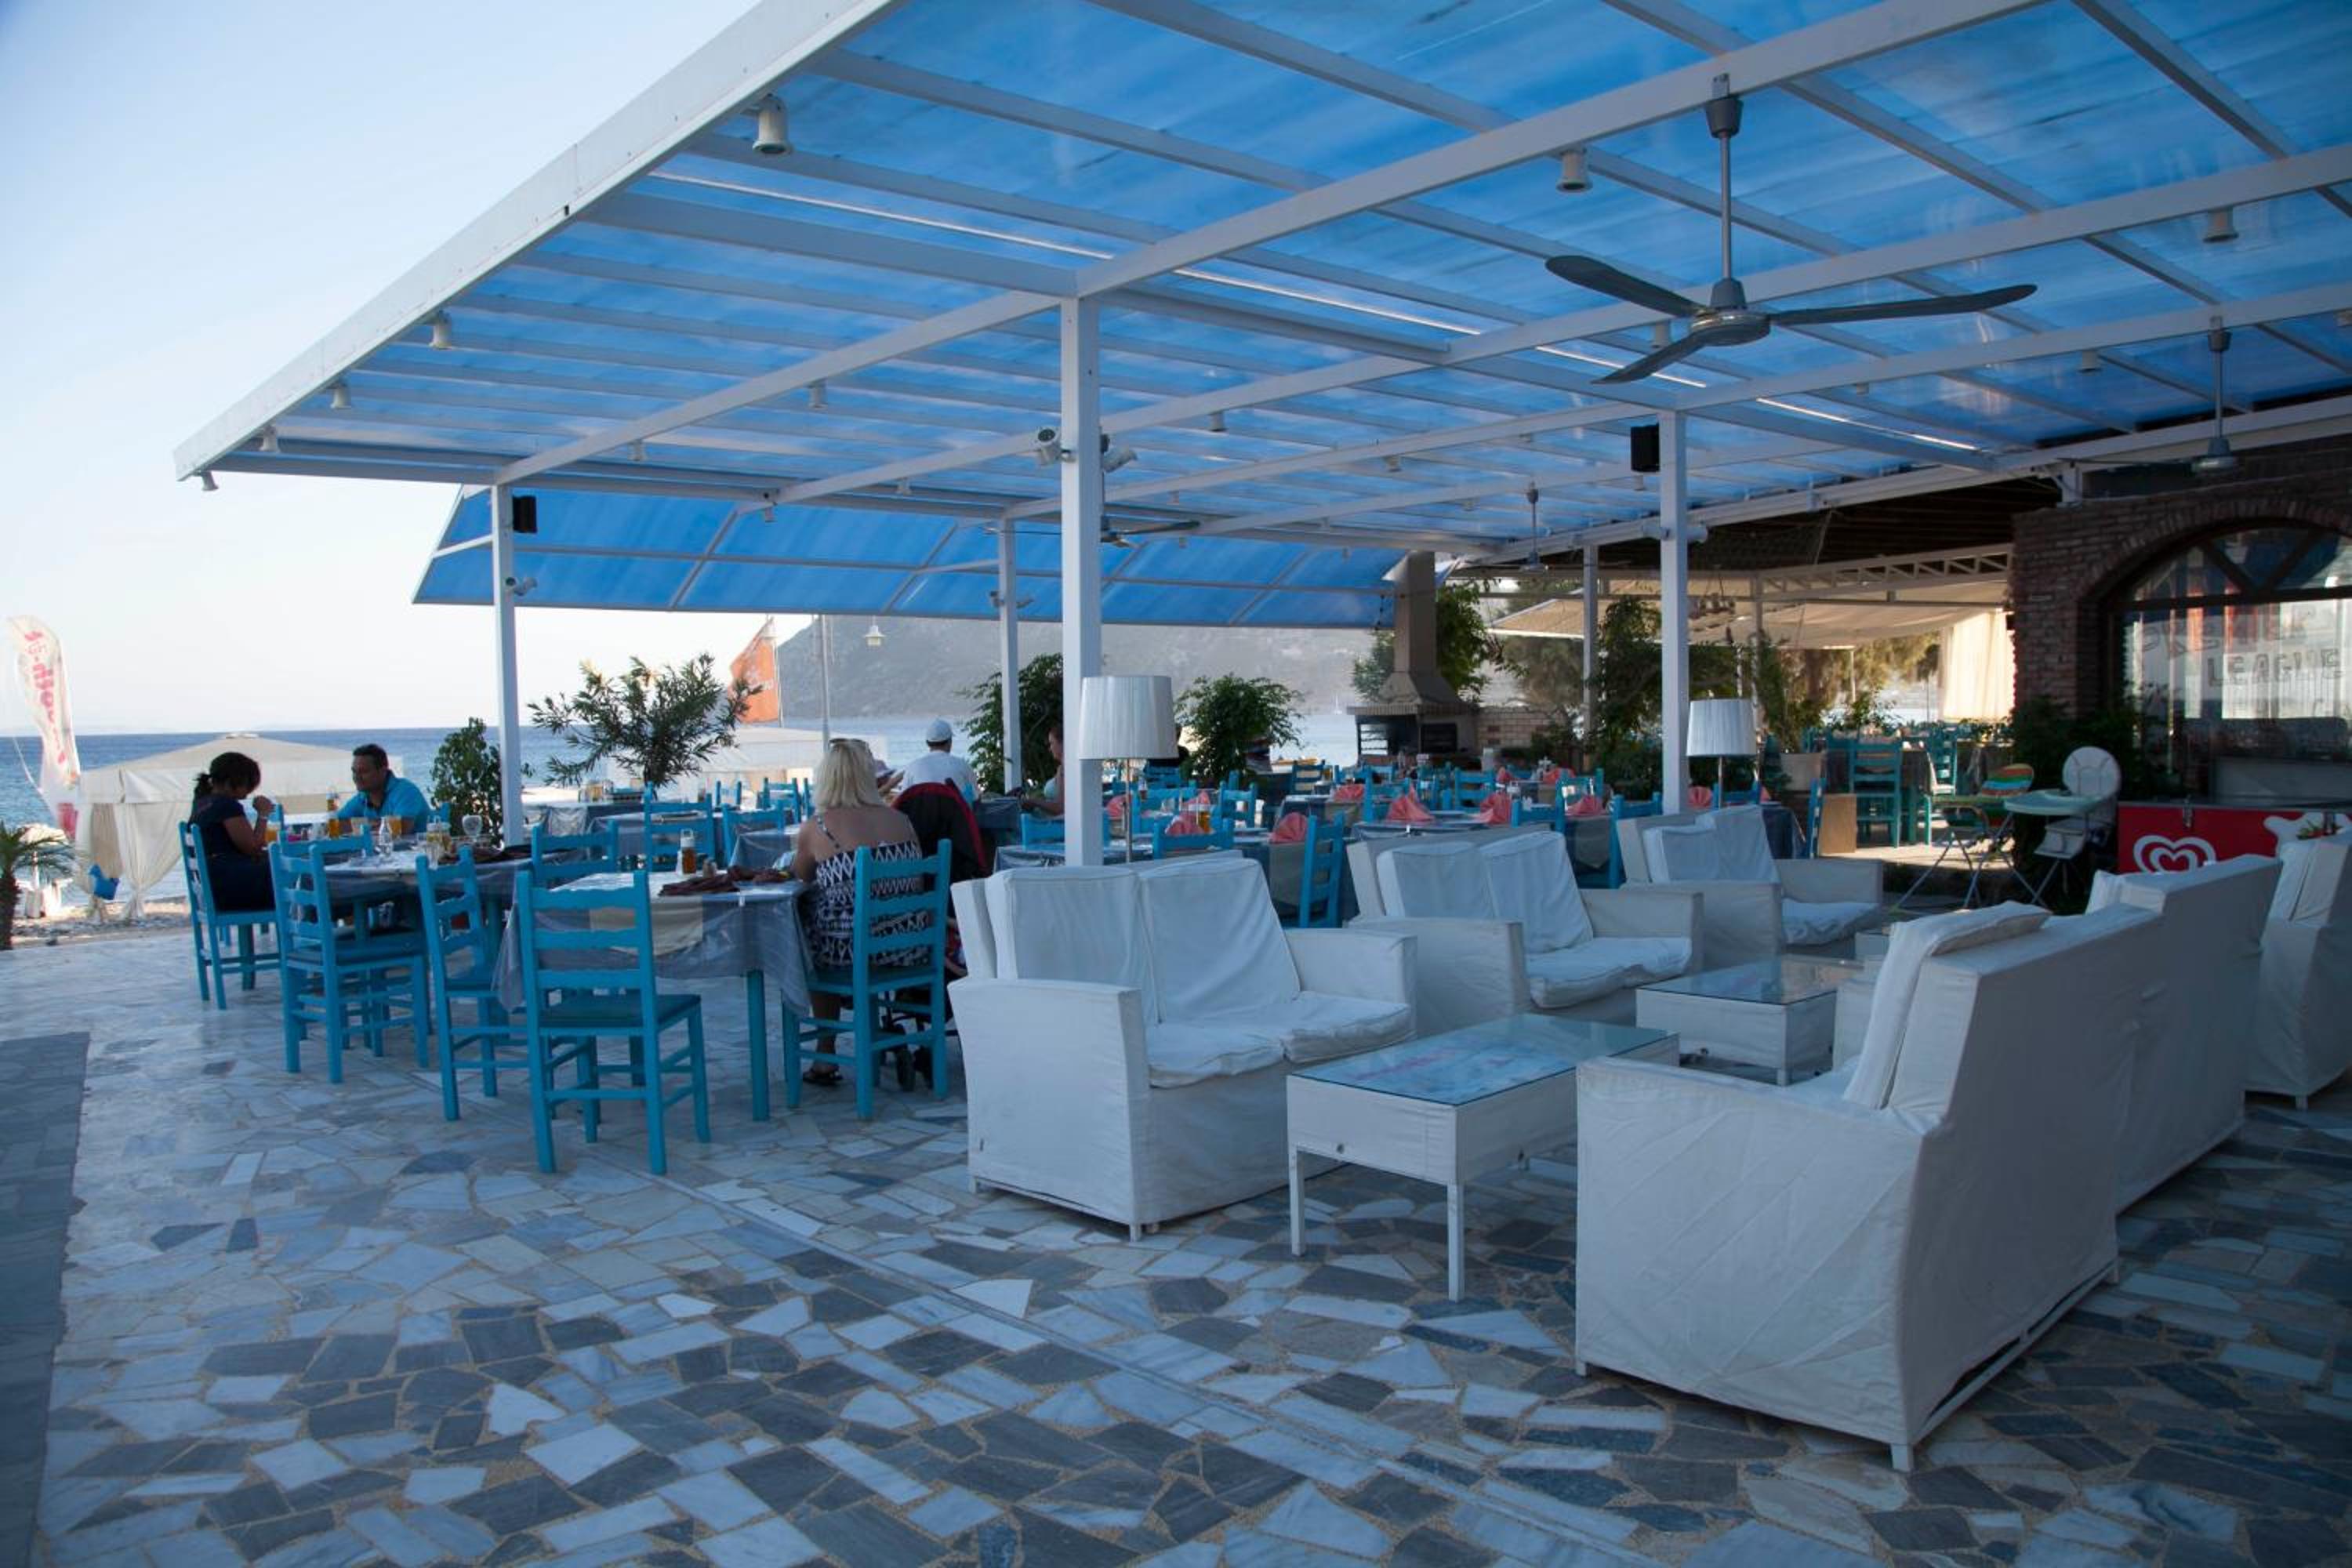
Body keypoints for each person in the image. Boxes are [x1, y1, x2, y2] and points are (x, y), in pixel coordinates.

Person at [791, 738, 927, 1087]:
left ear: (828, 778)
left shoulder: (818, 827)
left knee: (808, 933)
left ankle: (825, 1053)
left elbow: (799, 878)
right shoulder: (903, 821)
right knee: (841, 921)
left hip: (853, 952)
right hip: (909, 946)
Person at [187, 751, 274, 911]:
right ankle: (310, 922)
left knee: (281, 867)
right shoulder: (226, 805)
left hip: (214, 888)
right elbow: (253, 848)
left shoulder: (201, 803)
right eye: (248, 784)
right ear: (231, 782)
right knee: (295, 873)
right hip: (232, 890)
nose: (249, 790)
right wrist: (263, 814)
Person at [336, 743, 432, 829]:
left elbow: (400, 828)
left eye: (363, 772)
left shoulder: (406, 791)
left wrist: (358, 825)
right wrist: (369, 823)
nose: (357, 777)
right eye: (354, 771)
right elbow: (337, 824)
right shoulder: (363, 797)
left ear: (382, 771)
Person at [895, 718, 978, 800]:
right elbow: (976, 797)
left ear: (927, 743)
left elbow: (903, 799)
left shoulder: (913, 767)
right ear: (950, 742)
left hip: (923, 809)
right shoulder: (963, 765)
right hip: (953, 809)